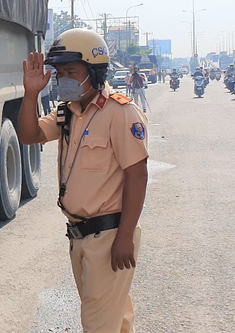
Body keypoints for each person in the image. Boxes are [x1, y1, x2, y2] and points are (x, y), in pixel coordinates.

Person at [16, 28, 149, 333]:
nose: (64, 79)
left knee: (98, 324)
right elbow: (29, 135)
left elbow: (137, 175)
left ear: (94, 71)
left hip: (109, 236)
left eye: (71, 71)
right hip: (79, 236)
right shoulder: (67, 112)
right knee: (116, 320)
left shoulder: (121, 113)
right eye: (60, 72)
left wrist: (125, 236)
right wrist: (31, 93)